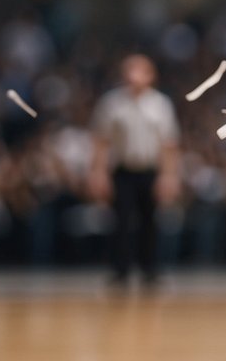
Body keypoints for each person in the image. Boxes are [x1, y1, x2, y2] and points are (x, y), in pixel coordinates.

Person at [91, 54, 181, 285]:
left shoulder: (160, 104)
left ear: (151, 75)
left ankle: (149, 270)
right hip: (122, 170)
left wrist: (168, 175)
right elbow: (101, 141)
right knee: (120, 221)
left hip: (150, 170)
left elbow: (169, 145)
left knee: (150, 221)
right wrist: (98, 173)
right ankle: (120, 271)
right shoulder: (111, 103)